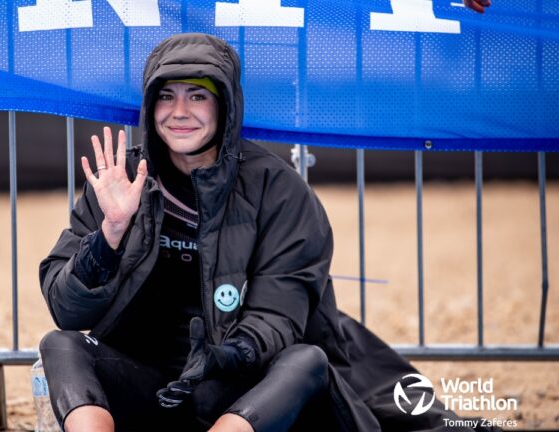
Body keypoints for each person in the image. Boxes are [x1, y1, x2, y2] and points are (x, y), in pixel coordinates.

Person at [39, 33, 498, 432]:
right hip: (152, 384)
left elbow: (280, 317)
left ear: (226, 106)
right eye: (166, 96)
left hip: (243, 389)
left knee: (306, 360)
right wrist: (110, 235)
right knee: (60, 345)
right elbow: (65, 308)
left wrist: (224, 358)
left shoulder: (280, 191)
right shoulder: (121, 181)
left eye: (198, 96)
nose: (179, 112)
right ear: (149, 105)